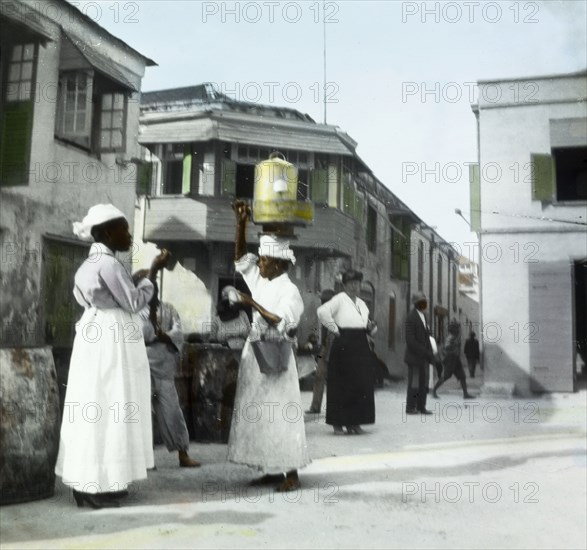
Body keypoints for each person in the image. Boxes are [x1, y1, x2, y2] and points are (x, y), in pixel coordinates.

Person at [55, 204, 168, 509]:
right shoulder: (109, 263)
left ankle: (91, 483)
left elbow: (103, 296)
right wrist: (149, 280)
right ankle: (95, 485)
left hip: (93, 333)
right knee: (112, 404)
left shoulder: (87, 265)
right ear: (106, 232)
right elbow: (132, 302)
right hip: (112, 337)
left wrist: (137, 279)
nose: (129, 235)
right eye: (124, 229)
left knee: (96, 405)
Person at [227, 200, 309, 493]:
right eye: (260, 259)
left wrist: (249, 302)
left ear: (278, 263)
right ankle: (269, 467)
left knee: (281, 414)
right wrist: (241, 223)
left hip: (277, 357)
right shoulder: (263, 278)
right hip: (256, 354)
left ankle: (291, 472)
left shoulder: (290, 290)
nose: (257, 263)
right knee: (259, 413)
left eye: (262, 260)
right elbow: (240, 259)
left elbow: (282, 321)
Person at [134, 275, 201, 468]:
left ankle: (183, 453)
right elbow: (139, 336)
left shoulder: (169, 309)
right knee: (142, 416)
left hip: (165, 370)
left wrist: (163, 337)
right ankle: (144, 461)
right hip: (142, 369)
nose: (152, 293)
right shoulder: (136, 312)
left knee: (172, 412)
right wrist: (159, 337)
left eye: (154, 288)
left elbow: (178, 332)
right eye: (147, 289)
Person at [317, 269, 377, 435]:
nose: (354, 287)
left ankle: (354, 422)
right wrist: (335, 329)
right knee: (341, 384)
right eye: (350, 284)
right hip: (343, 344)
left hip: (360, 344)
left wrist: (371, 328)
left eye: (356, 284)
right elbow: (322, 312)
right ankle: (338, 424)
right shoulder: (339, 299)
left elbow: (368, 325)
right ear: (344, 285)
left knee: (360, 383)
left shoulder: (362, 304)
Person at [404, 292, 435, 415]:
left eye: (425, 301)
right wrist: (425, 352)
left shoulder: (424, 316)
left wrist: (430, 352)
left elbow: (426, 336)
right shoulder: (411, 317)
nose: (424, 304)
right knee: (415, 383)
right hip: (414, 357)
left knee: (423, 383)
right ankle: (410, 407)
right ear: (416, 304)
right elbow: (410, 340)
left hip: (423, 357)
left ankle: (421, 407)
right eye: (422, 302)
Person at [306, 289, 335, 414]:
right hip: (324, 349)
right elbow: (319, 336)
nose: (323, 303)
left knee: (333, 379)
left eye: (326, 301)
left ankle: (334, 408)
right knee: (319, 376)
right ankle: (315, 407)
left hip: (333, 348)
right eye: (323, 301)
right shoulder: (321, 315)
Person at [432, 321, 475, 400]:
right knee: (446, 376)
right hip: (450, 359)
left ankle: (465, 394)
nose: (459, 329)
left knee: (462, 376)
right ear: (454, 330)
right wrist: (454, 347)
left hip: (455, 359)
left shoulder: (455, 337)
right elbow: (446, 348)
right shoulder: (451, 337)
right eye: (457, 328)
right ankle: (434, 390)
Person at [210, 286, 251, 350]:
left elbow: (250, 334)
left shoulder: (242, 314)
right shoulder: (217, 319)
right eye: (228, 302)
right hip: (225, 353)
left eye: (233, 302)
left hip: (243, 351)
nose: (230, 305)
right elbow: (212, 340)